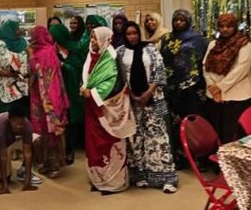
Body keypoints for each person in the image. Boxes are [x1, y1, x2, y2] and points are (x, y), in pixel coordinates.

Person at [117, 22, 177, 194]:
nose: (132, 37)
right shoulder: (120, 52)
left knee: (158, 138)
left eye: (135, 33)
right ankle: (140, 175)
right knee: (135, 139)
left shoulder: (150, 49)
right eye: (128, 34)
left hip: (154, 99)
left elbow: (160, 71)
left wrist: (148, 93)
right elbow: (120, 77)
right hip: (131, 102)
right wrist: (133, 95)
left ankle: (166, 178)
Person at [82, 27, 135, 194]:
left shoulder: (111, 57)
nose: (92, 41)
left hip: (108, 110)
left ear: (105, 39)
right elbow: (87, 78)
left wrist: (93, 93)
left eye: (96, 38)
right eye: (92, 38)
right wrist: (84, 88)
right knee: (94, 145)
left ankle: (114, 183)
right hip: (92, 110)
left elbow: (115, 83)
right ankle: (99, 181)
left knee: (110, 144)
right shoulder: (91, 55)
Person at [158, 9, 208, 166]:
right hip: (172, 89)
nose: (178, 22)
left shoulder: (199, 39)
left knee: (194, 123)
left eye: (182, 20)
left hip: (193, 88)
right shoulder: (167, 38)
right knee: (175, 124)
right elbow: (162, 60)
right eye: (176, 20)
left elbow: (203, 62)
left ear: (188, 21)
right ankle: (180, 156)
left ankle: (199, 158)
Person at [203, 13, 251, 144]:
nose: (225, 29)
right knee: (217, 135)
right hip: (214, 98)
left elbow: (241, 69)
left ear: (235, 27)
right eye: (222, 26)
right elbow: (205, 65)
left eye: (229, 26)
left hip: (237, 98)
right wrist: (212, 86)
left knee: (235, 136)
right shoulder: (213, 44)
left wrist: (219, 87)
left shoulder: (244, 44)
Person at [28, 26, 68, 178]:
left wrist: (31, 55)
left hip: (50, 96)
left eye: (33, 36)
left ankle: (54, 164)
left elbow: (39, 70)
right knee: (42, 130)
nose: (31, 40)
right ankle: (46, 162)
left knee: (52, 130)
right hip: (40, 96)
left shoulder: (47, 51)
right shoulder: (40, 51)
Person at [48, 23, 85, 165]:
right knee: (63, 121)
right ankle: (65, 150)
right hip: (59, 91)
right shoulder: (53, 50)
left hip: (73, 90)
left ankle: (72, 149)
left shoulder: (75, 50)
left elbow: (78, 70)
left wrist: (63, 65)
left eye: (53, 35)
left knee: (73, 120)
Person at [0, 104, 39, 195]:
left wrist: (27, 182)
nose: (19, 126)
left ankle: (23, 170)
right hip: (0, 146)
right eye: (16, 123)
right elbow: (3, 156)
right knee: (5, 177)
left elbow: (28, 153)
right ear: (10, 120)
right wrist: (4, 186)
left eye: (21, 123)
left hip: (15, 140)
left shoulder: (26, 124)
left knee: (37, 141)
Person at [0, 20, 29, 115]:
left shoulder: (24, 42)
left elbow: (30, 59)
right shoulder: (0, 46)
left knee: (22, 117)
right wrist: (12, 74)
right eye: (17, 28)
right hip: (7, 90)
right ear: (9, 30)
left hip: (23, 89)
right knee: (7, 117)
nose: (19, 30)